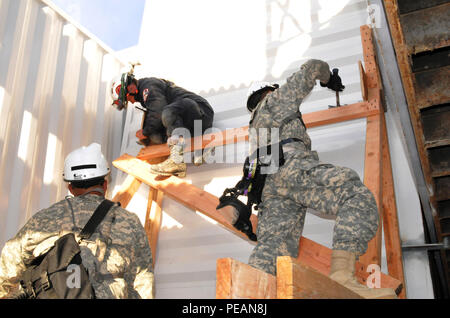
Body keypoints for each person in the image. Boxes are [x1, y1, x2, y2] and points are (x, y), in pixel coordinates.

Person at [240, 59, 397, 298]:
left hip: (270, 187)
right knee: (352, 193)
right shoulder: (274, 102)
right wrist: (328, 79)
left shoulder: (256, 126)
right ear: (269, 91)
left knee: (273, 249)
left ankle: (251, 298)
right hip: (290, 168)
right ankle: (342, 279)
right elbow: (313, 66)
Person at [0, 143, 154, 299]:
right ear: (105, 184)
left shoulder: (44, 219)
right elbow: (143, 279)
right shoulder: (129, 221)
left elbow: (9, 261)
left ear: (70, 187)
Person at [111, 71, 215, 177]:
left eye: (128, 99)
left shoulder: (148, 86)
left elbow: (158, 111)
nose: (132, 102)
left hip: (201, 111)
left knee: (167, 113)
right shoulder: (145, 94)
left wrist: (145, 131)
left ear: (131, 88)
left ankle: (177, 161)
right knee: (155, 136)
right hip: (188, 123)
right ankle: (185, 159)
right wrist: (148, 133)